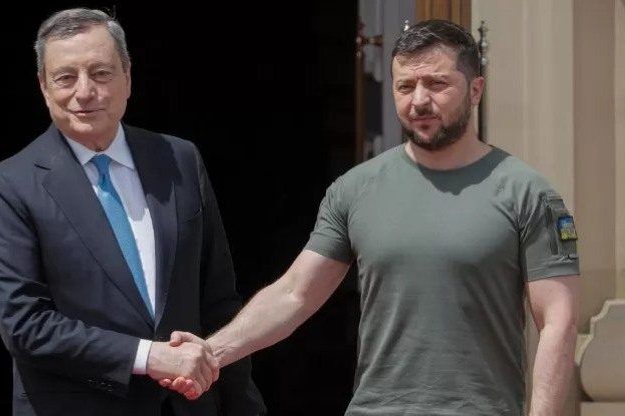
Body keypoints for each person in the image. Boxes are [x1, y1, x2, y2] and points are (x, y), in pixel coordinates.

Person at [165, 20, 580, 416]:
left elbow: (557, 321)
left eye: (437, 84)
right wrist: (211, 353)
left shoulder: (527, 193)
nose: (419, 100)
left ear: (475, 90)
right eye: (405, 86)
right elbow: (295, 294)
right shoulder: (355, 189)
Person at [0, 8, 264, 416]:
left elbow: (217, 299)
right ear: (43, 86)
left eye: (101, 73)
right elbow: (25, 325)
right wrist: (149, 356)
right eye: (65, 77)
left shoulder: (179, 160)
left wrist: (243, 405)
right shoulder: (10, 185)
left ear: (128, 77)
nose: (84, 92)